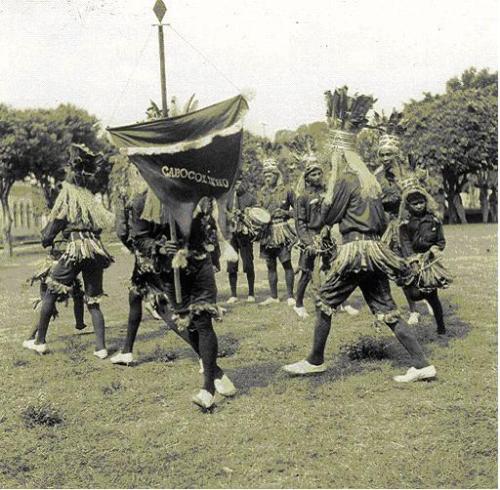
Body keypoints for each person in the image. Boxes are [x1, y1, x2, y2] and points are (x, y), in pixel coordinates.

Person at [283, 130, 436, 383]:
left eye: (334, 156)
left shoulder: (346, 179)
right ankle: (422, 364)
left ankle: (315, 361)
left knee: (324, 301)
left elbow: (327, 218)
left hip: (355, 253)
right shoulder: (371, 182)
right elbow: (381, 220)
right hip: (373, 251)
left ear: (341, 156)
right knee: (387, 309)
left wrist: (326, 200)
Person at [22, 144, 114, 357]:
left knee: (51, 292)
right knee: (93, 300)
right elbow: (99, 225)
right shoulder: (90, 202)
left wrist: (46, 238)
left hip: (76, 248)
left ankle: (40, 341)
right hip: (95, 250)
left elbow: (53, 228)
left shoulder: (68, 199)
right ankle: (101, 348)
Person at [293, 158, 359, 319]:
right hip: (310, 237)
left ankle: (341, 302)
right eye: (313, 174)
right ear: (307, 178)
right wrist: (308, 243)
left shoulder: (327, 192)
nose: (317, 176)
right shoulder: (302, 197)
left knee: (336, 270)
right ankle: (298, 304)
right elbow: (300, 222)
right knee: (307, 272)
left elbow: (333, 212)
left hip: (327, 236)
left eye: (319, 173)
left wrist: (328, 227)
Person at [375, 133, 421, 325]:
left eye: (388, 154)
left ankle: (417, 305)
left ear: (396, 154)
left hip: (408, 224)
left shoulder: (406, 172)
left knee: (413, 265)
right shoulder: (376, 176)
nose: (385, 158)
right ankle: (396, 308)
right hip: (388, 227)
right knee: (394, 268)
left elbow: (417, 198)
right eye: (382, 155)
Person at [397, 180, 452, 335]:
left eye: (421, 202)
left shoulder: (434, 220)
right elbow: (405, 243)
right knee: (413, 293)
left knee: (433, 295)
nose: (419, 206)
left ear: (425, 202)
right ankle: (418, 304)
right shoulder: (405, 223)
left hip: (429, 261)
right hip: (412, 259)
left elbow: (441, 241)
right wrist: (412, 260)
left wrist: (433, 250)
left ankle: (441, 326)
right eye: (415, 204)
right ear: (408, 206)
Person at [258, 159, 296, 306]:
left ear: (276, 175)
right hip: (266, 233)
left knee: (286, 263)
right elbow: (258, 210)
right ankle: (273, 296)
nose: (268, 177)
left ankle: (291, 296)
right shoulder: (261, 192)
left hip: (282, 231)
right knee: (270, 265)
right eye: (266, 175)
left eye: (270, 175)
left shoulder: (287, 190)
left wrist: (286, 212)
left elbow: (299, 210)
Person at [225, 177, 258, 303]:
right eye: (235, 182)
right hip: (231, 234)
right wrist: (229, 215)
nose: (237, 184)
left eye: (239, 181)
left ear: (244, 182)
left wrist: (244, 213)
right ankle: (233, 294)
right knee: (231, 264)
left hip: (245, 234)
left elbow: (256, 214)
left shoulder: (250, 197)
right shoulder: (228, 198)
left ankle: (251, 293)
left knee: (248, 263)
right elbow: (222, 212)